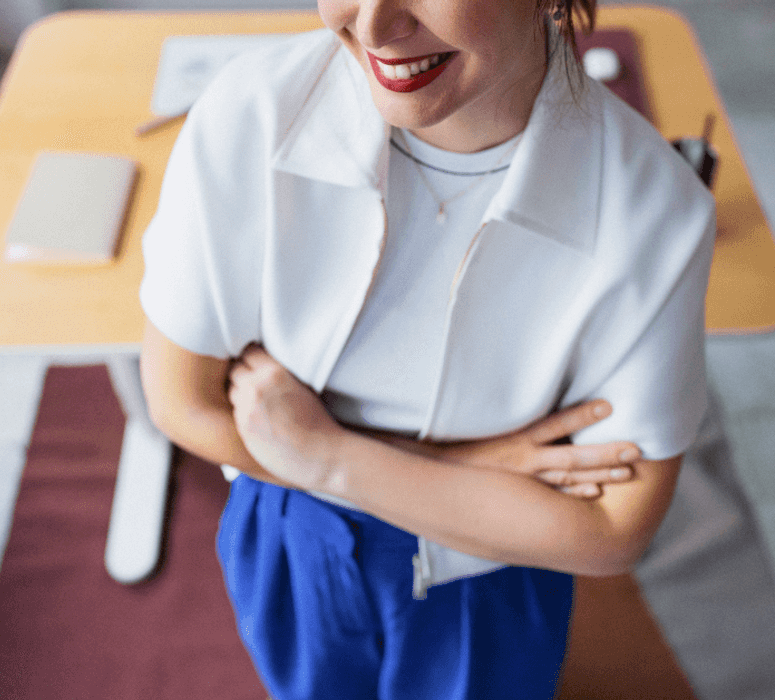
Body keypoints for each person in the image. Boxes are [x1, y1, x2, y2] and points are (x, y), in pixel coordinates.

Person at [138, 0, 716, 697]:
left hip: (484, 570)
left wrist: (328, 453)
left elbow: (610, 533)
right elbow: (181, 403)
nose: (372, 25)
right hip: (298, 535)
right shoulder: (250, 109)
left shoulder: (655, 210)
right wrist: (466, 466)